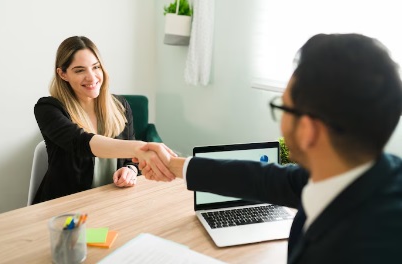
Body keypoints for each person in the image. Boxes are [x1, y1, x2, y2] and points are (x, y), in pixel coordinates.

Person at [138, 34, 402, 263]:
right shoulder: (364, 173)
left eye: (284, 107)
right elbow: (262, 178)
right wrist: (173, 164)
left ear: (309, 130)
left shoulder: (357, 251)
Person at [33, 36, 175, 204]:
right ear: (63, 74)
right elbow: (81, 142)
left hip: (112, 203)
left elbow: (131, 160)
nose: (92, 78)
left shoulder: (120, 106)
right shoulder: (48, 109)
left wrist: (129, 169)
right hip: (66, 208)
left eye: (96, 67)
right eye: (79, 70)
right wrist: (139, 148)